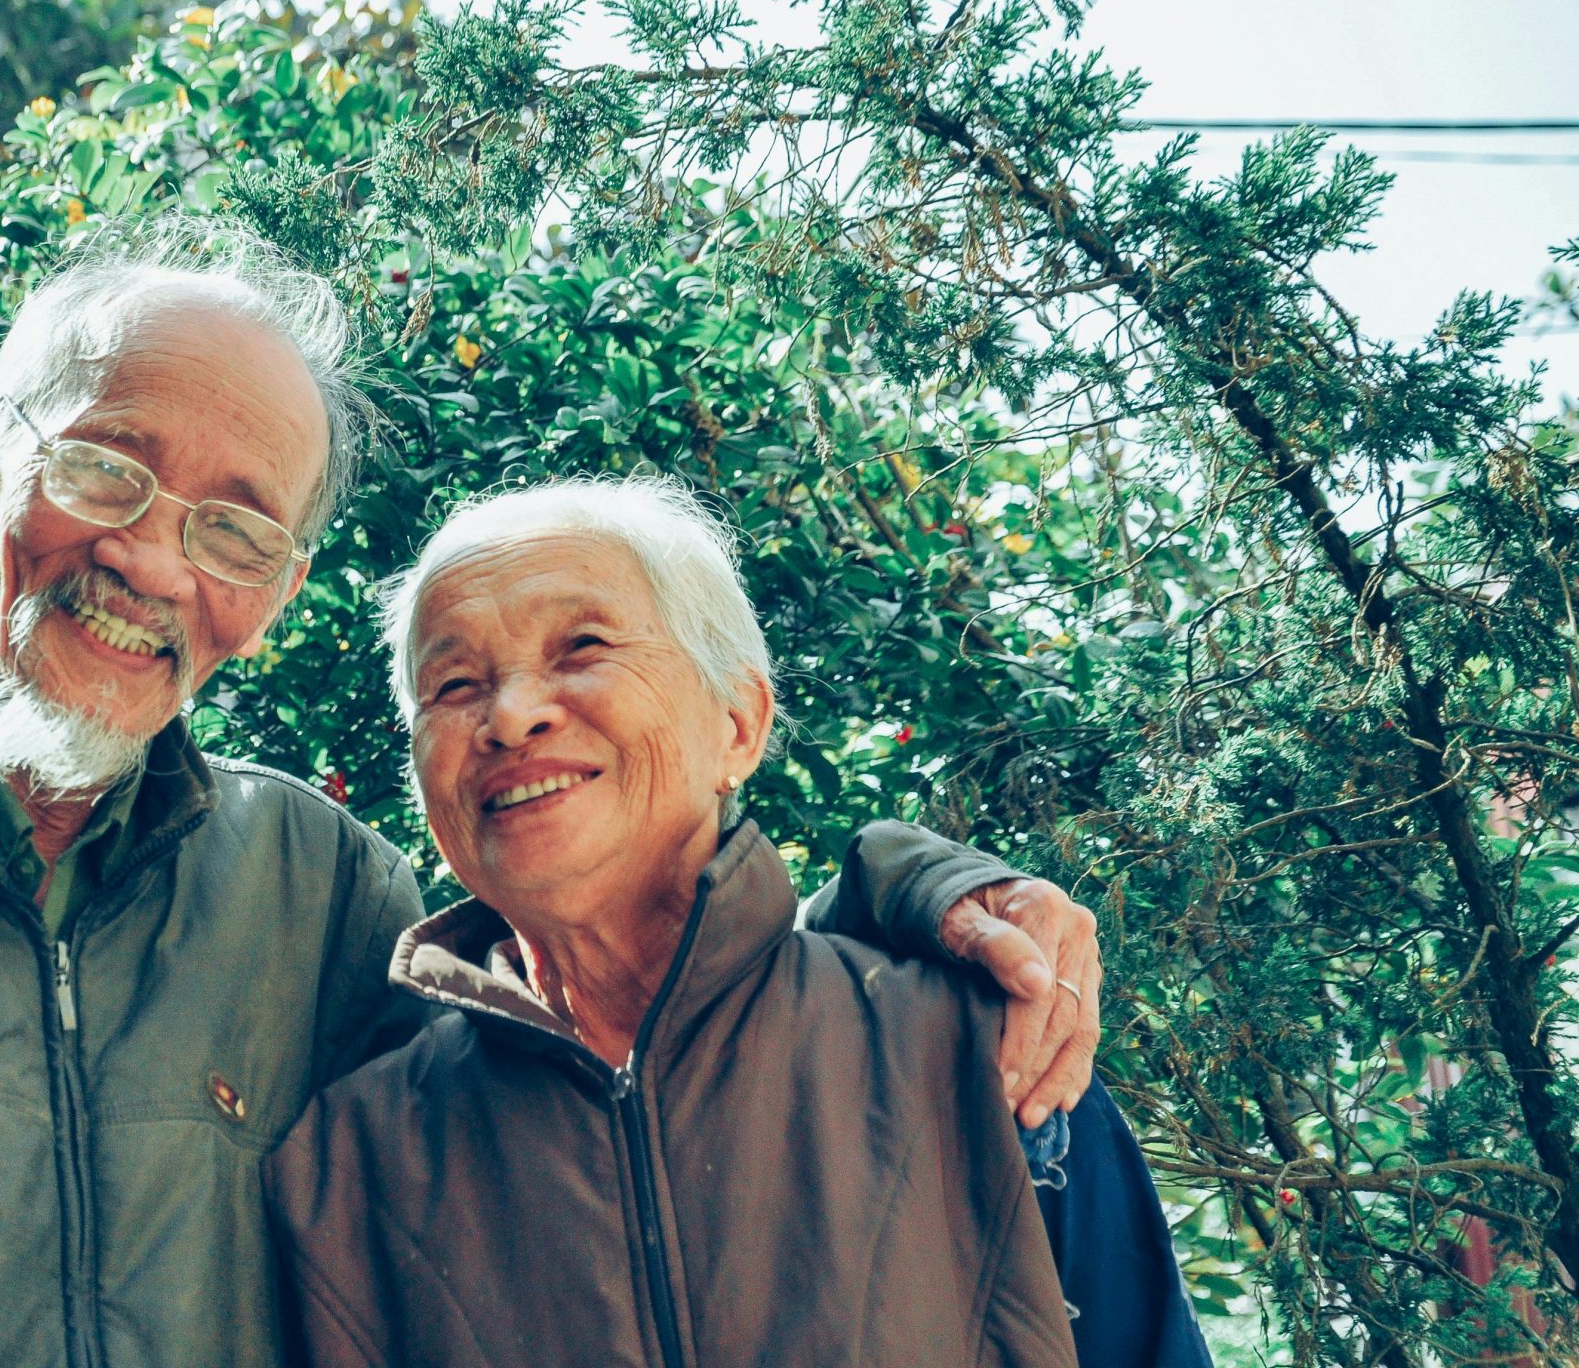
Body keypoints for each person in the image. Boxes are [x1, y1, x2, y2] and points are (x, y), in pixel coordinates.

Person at [0, 222, 1109, 1368]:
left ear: (272, 592)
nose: (146, 555)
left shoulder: (320, 892)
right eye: (104, 464)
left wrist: (911, 887)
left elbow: (664, 1053)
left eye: (233, 525)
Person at [265, 478, 1210, 1368]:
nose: (511, 717)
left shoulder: (980, 1046)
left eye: (583, 647)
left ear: (739, 725)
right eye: (455, 685)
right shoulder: (350, 1163)